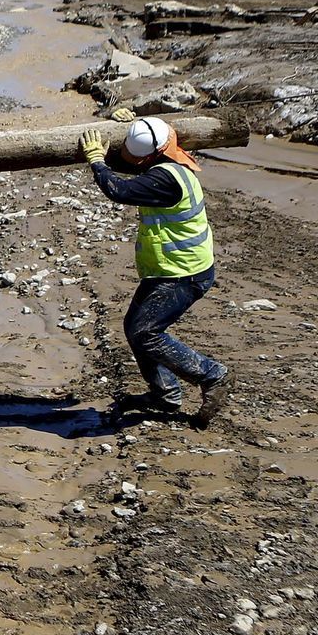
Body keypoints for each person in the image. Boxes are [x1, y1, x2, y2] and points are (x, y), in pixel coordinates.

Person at [79, 116, 234, 426]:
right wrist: (127, 121)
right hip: (171, 269)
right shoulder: (170, 162)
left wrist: (96, 161)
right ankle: (165, 395)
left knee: (145, 332)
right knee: (135, 328)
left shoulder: (164, 180)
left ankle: (212, 375)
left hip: (184, 274)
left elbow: (118, 189)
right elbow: (135, 160)